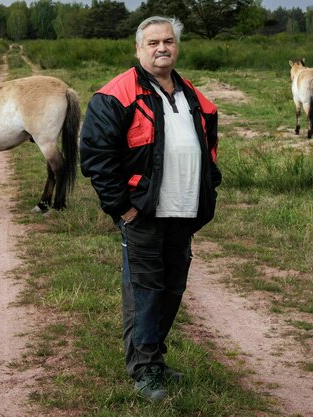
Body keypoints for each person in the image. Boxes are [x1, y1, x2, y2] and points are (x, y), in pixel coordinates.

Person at [79, 16, 221, 402]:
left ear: (177, 46)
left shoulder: (191, 94)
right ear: (138, 49)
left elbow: (208, 146)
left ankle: (155, 359)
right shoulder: (116, 95)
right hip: (142, 212)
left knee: (173, 289)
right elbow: (95, 156)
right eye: (154, 42)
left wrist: (210, 185)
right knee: (145, 291)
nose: (163, 48)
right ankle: (144, 371)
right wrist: (122, 209)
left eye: (169, 41)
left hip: (184, 210)